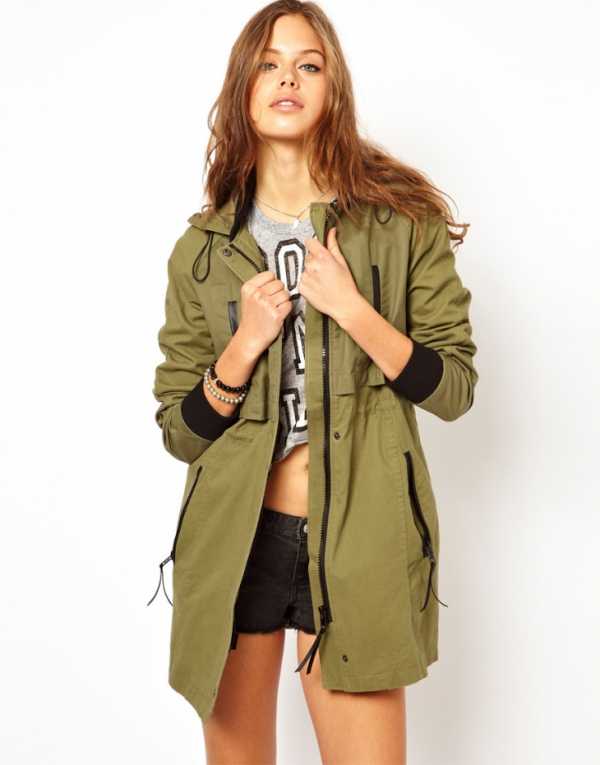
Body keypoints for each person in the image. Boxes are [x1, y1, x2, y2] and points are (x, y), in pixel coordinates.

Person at [149, 2, 478, 763]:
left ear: (333, 87)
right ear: (243, 89)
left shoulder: (402, 224)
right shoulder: (202, 250)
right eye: (268, 65)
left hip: (361, 536)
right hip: (237, 542)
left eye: (308, 64)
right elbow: (179, 431)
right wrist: (241, 350)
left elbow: (454, 388)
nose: (287, 79)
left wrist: (354, 310)